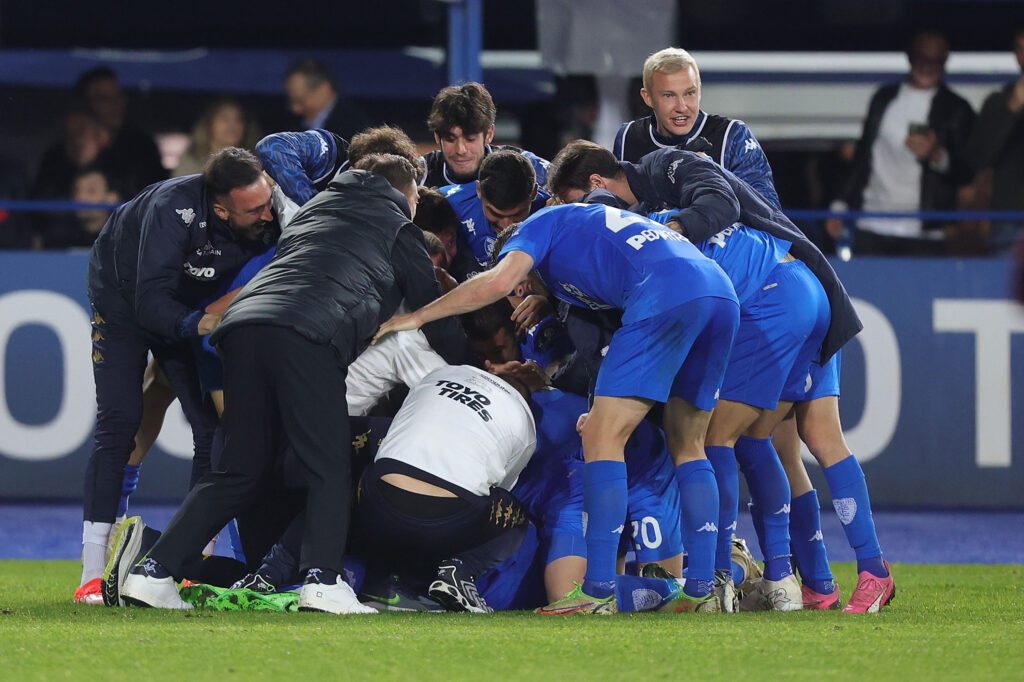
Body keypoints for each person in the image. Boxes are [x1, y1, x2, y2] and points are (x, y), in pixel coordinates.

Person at [547, 141, 898, 613]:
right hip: (809, 285)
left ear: (593, 191)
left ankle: (720, 580)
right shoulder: (665, 211)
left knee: (714, 439)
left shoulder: (642, 231)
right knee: (806, 438)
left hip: (769, 300)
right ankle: (836, 576)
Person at [119, 154, 457, 614]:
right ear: (407, 194)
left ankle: (153, 571)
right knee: (329, 465)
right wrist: (477, 368)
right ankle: (321, 580)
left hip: (241, 330)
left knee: (238, 470)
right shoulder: (398, 226)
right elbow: (435, 314)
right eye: (417, 195)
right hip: (305, 336)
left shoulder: (313, 212)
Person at [375, 202, 739, 615]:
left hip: (664, 291)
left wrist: (418, 316)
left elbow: (496, 282)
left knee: (601, 439)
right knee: (690, 445)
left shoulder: (535, 227)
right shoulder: (584, 238)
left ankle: (597, 591)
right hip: (719, 292)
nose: (524, 290)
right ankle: (704, 589)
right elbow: (607, 331)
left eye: (525, 279)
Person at [75, 148, 280, 605]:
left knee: (211, 429)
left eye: (269, 201)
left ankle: (187, 565)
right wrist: (201, 324)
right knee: (120, 423)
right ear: (221, 208)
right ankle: (91, 575)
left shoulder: (270, 206)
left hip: (191, 305)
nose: (270, 213)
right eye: (256, 209)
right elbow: (150, 305)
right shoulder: (172, 211)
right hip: (125, 302)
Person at [826, 31, 975, 256]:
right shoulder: (884, 99)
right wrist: (840, 204)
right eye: (922, 59)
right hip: (871, 224)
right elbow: (863, 155)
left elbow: (967, 171)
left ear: (945, 62)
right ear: (910, 57)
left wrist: (937, 155)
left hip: (924, 232)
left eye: (936, 61)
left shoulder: (957, 109)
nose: (928, 66)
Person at [613, 47, 780, 208]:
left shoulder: (733, 135)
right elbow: (614, 211)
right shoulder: (628, 136)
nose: (682, 107)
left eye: (689, 93)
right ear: (648, 98)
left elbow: (767, 212)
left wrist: (712, 175)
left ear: (700, 91)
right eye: (669, 95)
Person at [441, 150, 550, 279]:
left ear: (534, 193)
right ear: (479, 190)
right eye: (495, 213)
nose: (506, 226)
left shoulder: (554, 213)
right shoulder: (446, 204)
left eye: (517, 215)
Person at [422, 82, 549, 188]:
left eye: (470, 139)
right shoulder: (419, 174)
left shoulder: (523, 168)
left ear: (489, 134)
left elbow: (565, 180)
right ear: (437, 136)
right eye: (450, 139)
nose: (460, 150)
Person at [968, 27, 1024, 254]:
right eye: (1022, 49)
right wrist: (1012, 109)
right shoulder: (998, 103)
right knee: (1005, 290)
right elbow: (978, 160)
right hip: (1009, 222)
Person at [73, 66, 166, 196]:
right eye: (104, 99)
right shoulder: (64, 151)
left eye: (118, 96)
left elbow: (154, 195)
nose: (115, 104)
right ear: (85, 103)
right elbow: (47, 204)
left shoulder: (142, 147)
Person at [284, 58, 371, 141]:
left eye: (301, 101)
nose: (295, 109)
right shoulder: (293, 128)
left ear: (324, 89)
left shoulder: (355, 130)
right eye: (292, 102)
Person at [174, 98, 261, 177]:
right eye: (224, 118)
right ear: (209, 124)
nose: (232, 125)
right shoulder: (191, 160)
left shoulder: (256, 164)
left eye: (238, 119)